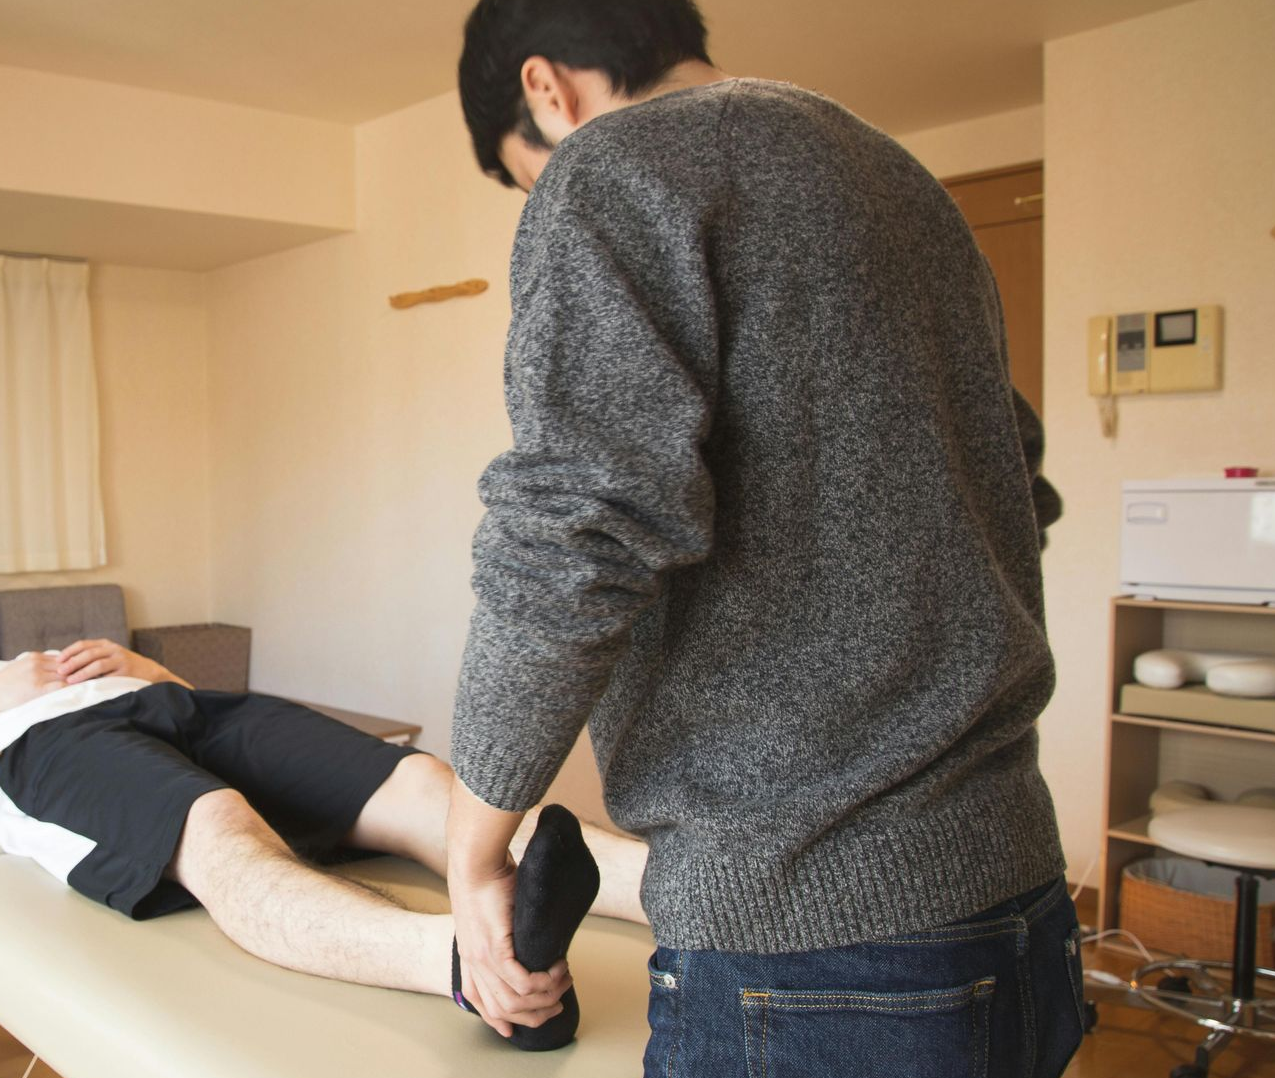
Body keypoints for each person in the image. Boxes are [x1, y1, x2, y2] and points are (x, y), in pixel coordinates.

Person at [444, 1, 1081, 1075]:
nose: (541, 188)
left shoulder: (611, 169)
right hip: (1017, 889)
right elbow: (1016, 476)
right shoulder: (899, 181)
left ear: (546, 91)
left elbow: (578, 529)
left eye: (525, 169)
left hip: (817, 943)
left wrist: (475, 849)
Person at [0, 617, 651, 1047]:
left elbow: (185, 717)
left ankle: (673, 891)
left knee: (424, 784)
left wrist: (148, 672)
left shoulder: (40, 655)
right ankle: (481, 973)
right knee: (220, 828)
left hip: (180, 709)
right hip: (48, 748)